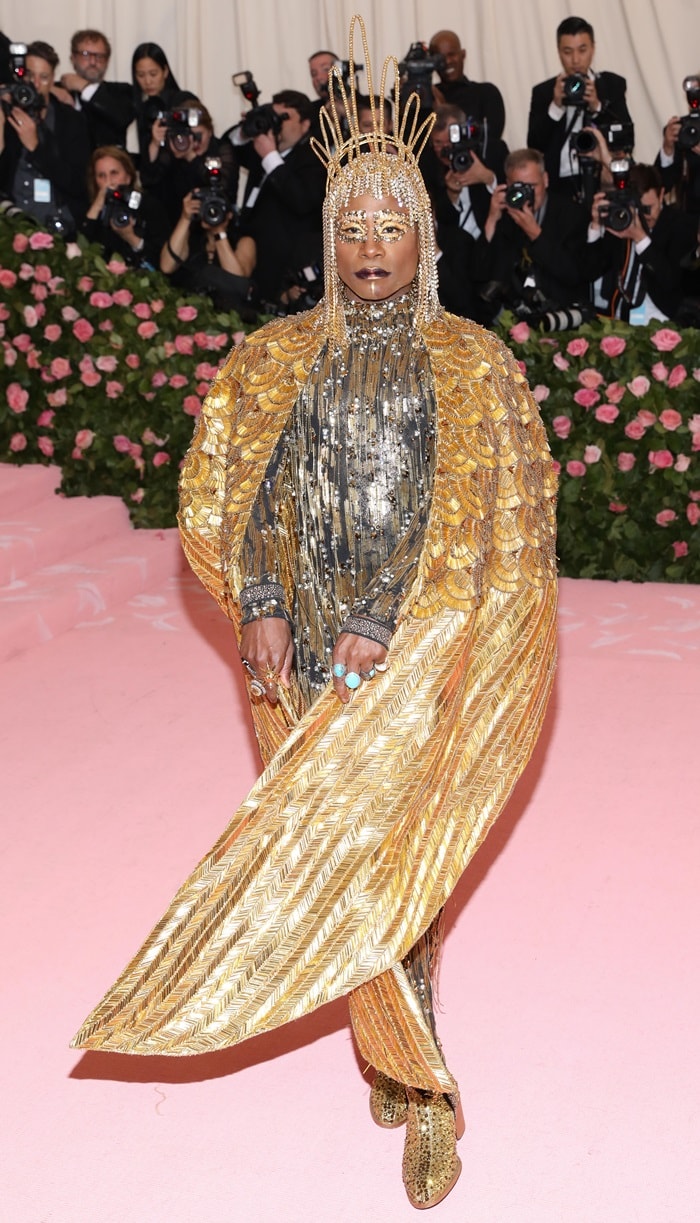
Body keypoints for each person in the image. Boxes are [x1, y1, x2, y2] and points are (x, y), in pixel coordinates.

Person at [71, 17, 558, 1212]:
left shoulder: (475, 364)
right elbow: (260, 498)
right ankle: (402, 1045)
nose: (371, 245)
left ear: (424, 238)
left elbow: (487, 524)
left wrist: (391, 623)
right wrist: (267, 605)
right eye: (352, 226)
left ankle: (424, 1087)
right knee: (344, 865)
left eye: (393, 226)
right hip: (299, 653)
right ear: (329, 237)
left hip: (415, 651)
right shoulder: (278, 357)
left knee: (403, 866)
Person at [234, 89, 326, 307]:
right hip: (253, 259)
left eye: (285, 118)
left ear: (305, 125)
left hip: (286, 266)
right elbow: (231, 148)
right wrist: (249, 128)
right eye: (273, 116)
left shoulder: (313, 157)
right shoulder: (264, 150)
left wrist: (271, 158)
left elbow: (302, 200)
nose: (277, 124)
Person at [478, 147, 589, 320]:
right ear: (507, 184)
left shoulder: (572, 214)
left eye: (532, 186)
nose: (526, 194)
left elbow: (573, 273)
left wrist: (536, 234)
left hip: (557, 315)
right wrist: (492, 220)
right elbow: (482, 272)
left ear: (545, 180)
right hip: (511, 316)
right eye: (519, 187)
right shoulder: (505, 214)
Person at [527, 16, 633, 197]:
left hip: (602, 181)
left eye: (582, 50)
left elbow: (627, 139)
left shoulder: (611, 85)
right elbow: (534, 145)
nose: (575, 60)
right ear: (559, 52)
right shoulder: (544, 92)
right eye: (567, 52)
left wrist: (597, 107)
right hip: (559, 187)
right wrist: (556, 107)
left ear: (593, 48)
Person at [586, 162, 699, 323]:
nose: (645, 216)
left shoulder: (681, 225)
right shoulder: (621, 220)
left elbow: (672, 280)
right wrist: (596, 226)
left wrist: (640, 238)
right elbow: (591, 270)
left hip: (663, 317)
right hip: (618, 315)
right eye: (639, 210)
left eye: (648, 208)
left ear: (661, 195)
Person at [0, 39, 90, 234]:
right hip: (13, 224)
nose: (36, 84)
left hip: (59, 223)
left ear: (52, 80)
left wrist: (35, 148)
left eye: (44, 77)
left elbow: (78, 184)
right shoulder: (8, 115)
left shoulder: (71, 120)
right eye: (30, 76)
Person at [140, 100, 239, 228]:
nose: (194, 143)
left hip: (215, 223)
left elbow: (222, 187)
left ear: (210, 131)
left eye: (197, 136)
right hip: (177, 226)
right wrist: (155, 144)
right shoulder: (175, 149)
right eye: (188, 136)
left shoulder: (222, 150)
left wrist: (190, 156)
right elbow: (149, 180)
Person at [82, 145, 169, 268]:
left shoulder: (148, 205)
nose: (109, 182)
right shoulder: (93, 210)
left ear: (128, 177)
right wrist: (98, 204)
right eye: (101, 176)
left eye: (114, 173)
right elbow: (83, 248)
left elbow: (162, 258)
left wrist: (130, 237)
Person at [59, 28, 134, 149]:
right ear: (73, 59)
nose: (93, 62)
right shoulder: (58, 91)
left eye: (99, 56)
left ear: (108, 61)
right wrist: (51, 90)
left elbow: (120, 118)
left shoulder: (122, 92)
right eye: (86, 55)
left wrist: (83, 86)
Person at [428, 28, 505, 140]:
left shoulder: (486, 93)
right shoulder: (427, 99)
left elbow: (490, 140)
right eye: (441, 58)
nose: (448, 61)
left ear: (463, 55)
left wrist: (443, 112)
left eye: (452, 54)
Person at [130, 41, 195, 166]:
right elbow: (147, 168)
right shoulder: (143, 108)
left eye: (153, 74)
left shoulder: (184, 101)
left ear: (165, 71)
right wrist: (155, 143)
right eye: (141, 75)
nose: (148, 81)